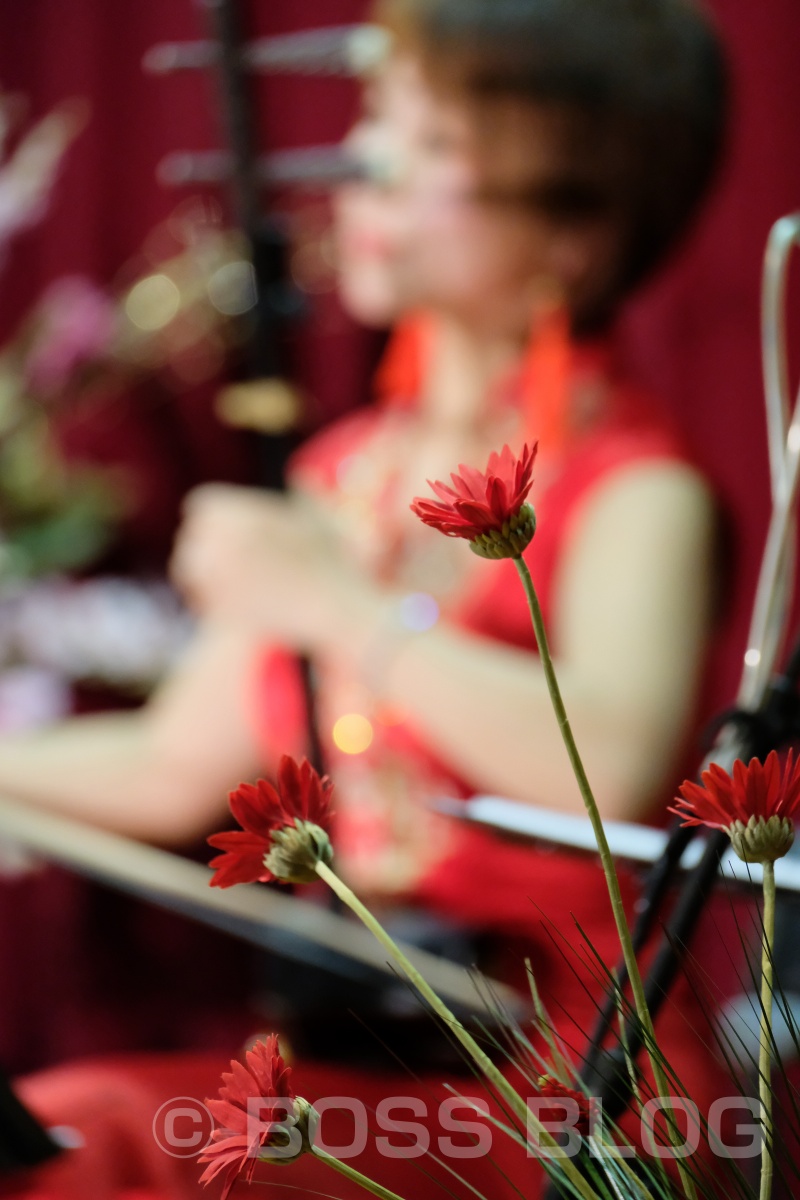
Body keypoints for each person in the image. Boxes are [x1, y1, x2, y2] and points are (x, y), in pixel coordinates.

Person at [1, 0, 737, 1193]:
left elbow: (599, 766)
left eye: (432, 147)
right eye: (373, 120)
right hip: (374, 1054)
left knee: (100, 1138)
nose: (364, 170)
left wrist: (340, 604)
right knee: (67, 1135)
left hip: (579, 1084)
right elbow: (169, 766)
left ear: (576, 233)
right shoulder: (344, 472)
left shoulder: (638, 490)